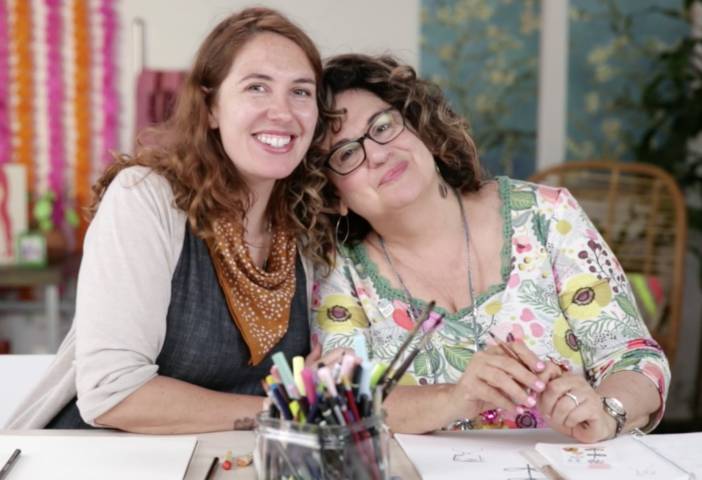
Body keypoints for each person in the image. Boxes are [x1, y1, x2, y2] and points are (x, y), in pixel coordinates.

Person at [5, 7, 338, 433]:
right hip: (98, 456)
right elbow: (112, 394)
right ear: (211, 107)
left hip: (229, 458)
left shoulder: (305, 228)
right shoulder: (145, 197)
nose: (282, 112)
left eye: (301, 92)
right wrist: (287, 409)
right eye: (257, 87)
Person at [310, 53, 670, 443]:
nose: (378, 154)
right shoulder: (338, 271)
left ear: (419, 128)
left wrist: (606, 410)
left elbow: (636, 357)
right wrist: (455, 398)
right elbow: (344, 403)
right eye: (346, 153)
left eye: (383, 126)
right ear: (332, 194)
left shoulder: (546, 214)